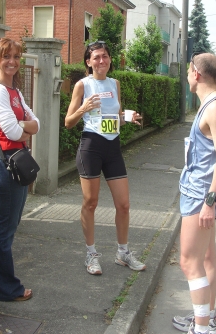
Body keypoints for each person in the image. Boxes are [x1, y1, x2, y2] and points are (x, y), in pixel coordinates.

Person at [65, 40, 146, 275]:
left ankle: (123, 253)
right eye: (97, 57)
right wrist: (83, 108)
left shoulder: (115, 84)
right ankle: (91, 255)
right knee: (90, 203)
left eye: (105, 57)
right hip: (91, 147)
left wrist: (127, 118)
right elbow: (69, 122)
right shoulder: (83, 85)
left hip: (113, 147)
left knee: (124, 204)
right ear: (88, 62)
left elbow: (115, 117)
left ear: (110, 60)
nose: (102, 61)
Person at [172, 53, 216, 334]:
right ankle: (206, 317)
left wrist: (209, 202)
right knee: (207, 257)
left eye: (188, 70)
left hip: (201, 195)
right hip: (198, 192)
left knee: (189, 261)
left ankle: (202, 328)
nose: (186, 75)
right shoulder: (210, 104)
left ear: (196, 74)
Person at [0, 38, 40, 301]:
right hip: (6, 164)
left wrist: (27, 125)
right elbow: (15, 130)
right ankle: (8, 289)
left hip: (17, 162)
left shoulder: (15, 91)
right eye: (7, 57)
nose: (12, 62)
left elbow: (36, 122)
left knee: (8, 224)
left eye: (16, 56)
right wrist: (26, 126)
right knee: (6, 228)